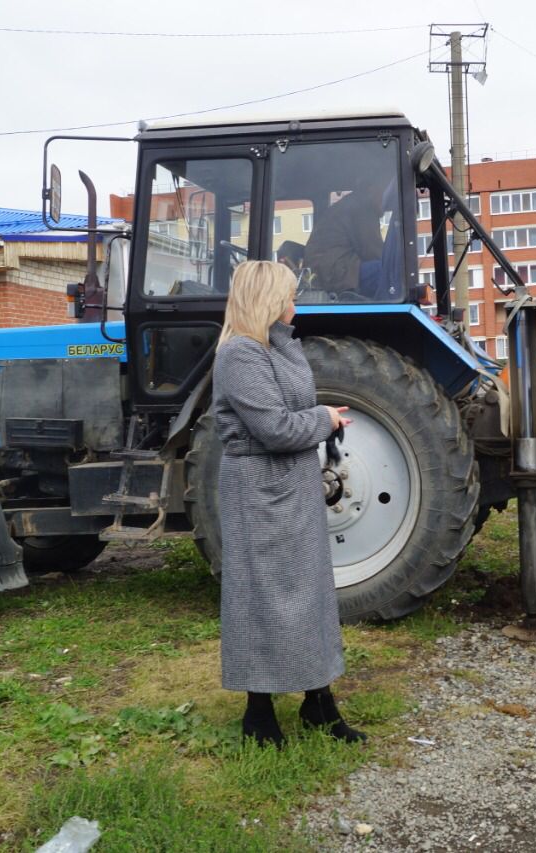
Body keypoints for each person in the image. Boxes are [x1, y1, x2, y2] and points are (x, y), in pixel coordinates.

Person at [210, 260, 366, 747]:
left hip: (291, 485)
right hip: (257, 491)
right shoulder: (240, 354)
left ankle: (318, 703)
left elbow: (293, 414)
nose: (296, 304)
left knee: (309, 593)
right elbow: (275, 429)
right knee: (262, 596)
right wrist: (323, 418)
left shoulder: (279, 346)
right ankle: (258, 712)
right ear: (268, 300)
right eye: (290, 295)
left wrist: (320, 417)